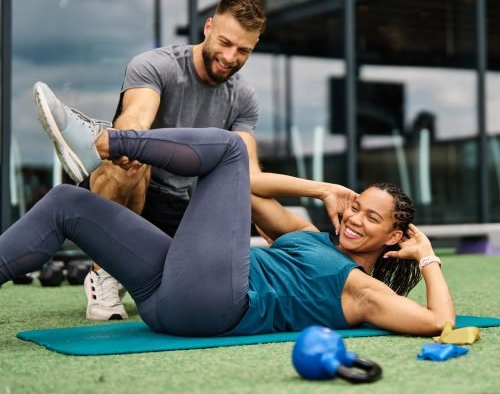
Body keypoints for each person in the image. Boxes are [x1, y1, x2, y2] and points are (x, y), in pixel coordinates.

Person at [2, 84, 456, 338]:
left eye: (370, 218)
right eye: (356, 205)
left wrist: (428, 255)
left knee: (231, 149)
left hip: (214, 306)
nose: (355, 219)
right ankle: (106, 147)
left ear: (394, 237)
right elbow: (249, 186)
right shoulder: (305, 235)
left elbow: (438, 322)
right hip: (166, 293)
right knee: (68, 203)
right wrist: (322, 190)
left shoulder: (362, 292)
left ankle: (105, 141)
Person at [36, 0, 266, 321]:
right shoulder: (157, 65)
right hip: (138, 187)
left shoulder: (243, 98)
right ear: (208, 27)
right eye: (226, 43)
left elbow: (249, 171)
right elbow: (136, 119)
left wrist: (287, 207)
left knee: (199, 295)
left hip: (184, 207)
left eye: (243, 50)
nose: (231, 57)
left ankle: (134, 268)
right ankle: (104, 273)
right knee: (132, 153)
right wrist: (129, 143)